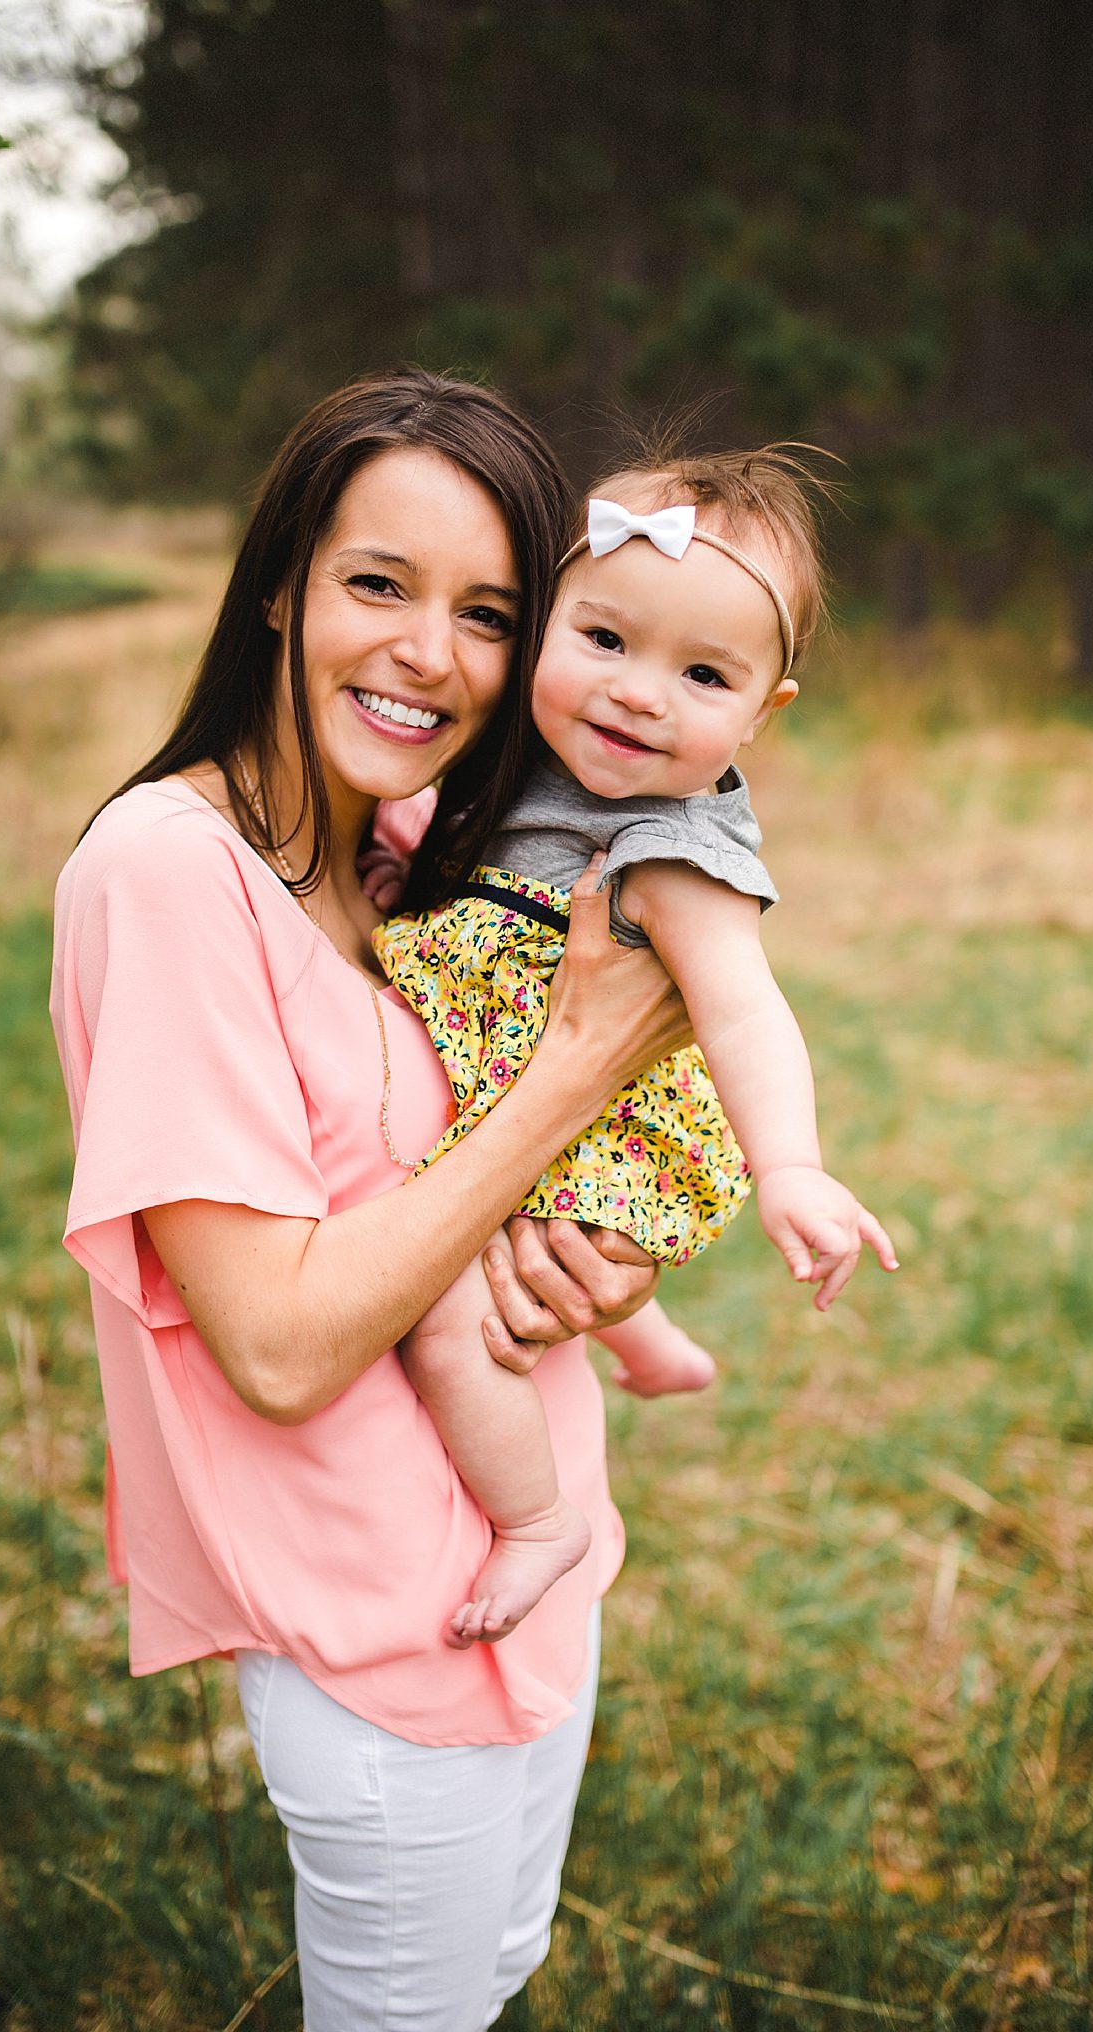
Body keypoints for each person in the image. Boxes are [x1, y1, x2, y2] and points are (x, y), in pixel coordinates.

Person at [49, 370, 694, 2032]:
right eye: (378, 584)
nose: (430, 653)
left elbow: (470, 1174)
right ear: (281, 583)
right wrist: (567, 1072)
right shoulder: (165, 872)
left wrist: (598, 1261)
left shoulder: (404, 841)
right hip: (377, 1635)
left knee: (490, 1978)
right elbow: (274, 1342)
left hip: (538, 1563)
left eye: (488, 611)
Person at [375, 451, 899, 1647]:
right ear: (547, 622)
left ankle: (537, 1520)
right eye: (606, 641)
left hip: (603, 1141)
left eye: (703, 672)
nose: (639, 695)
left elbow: (745, 1009)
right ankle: (653, 1346)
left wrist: (794, 1168)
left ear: (761, 713)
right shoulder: (519, 776)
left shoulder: (672, 854)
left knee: (452, 1317)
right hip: (524, 1099)